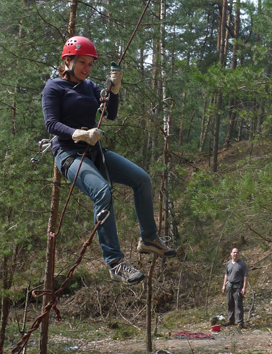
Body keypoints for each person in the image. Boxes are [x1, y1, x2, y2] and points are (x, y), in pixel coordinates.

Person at [42, 35, 176, 285]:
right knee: (102, 192)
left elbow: (110, 114)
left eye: (90, 64)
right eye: (82, 62)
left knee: (141, 179)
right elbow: (51, 123)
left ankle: (148, 238)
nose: (86, 68)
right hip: (69, 154)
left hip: (95, 151)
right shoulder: (54, 88)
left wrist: (115, 89)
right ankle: (115, 262)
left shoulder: (90, 86)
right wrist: (77, 133)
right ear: (68, 61)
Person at [221, 248, 248, 328]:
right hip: (229, 285)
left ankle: (240, 322)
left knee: (238, 304)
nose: (235, 254)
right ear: (231, 254)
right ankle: (231, 320)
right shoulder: (228, 263)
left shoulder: (242, 264)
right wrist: (224, 285)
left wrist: (244, 287)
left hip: (238, 286)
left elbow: (245, 276)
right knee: (230, 303)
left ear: (238, 254)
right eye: (234, 252)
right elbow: (226, 274)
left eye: (237, 253)